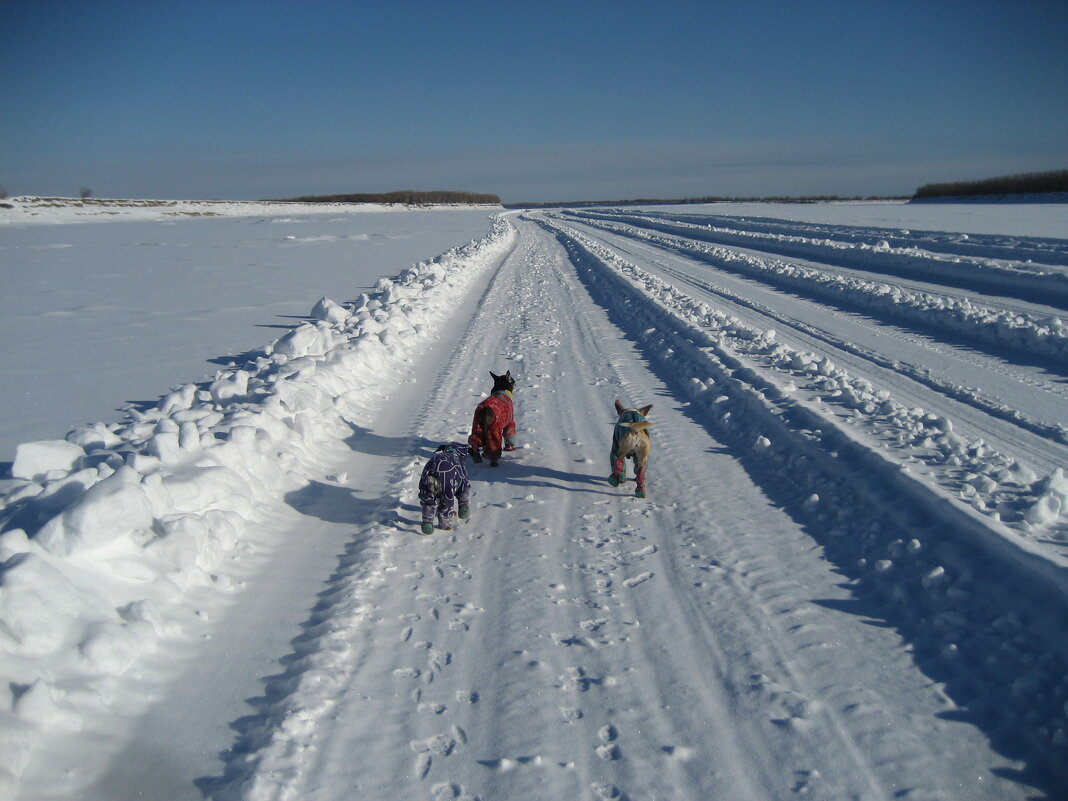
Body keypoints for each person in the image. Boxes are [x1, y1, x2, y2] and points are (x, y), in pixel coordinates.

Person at [417, 442, 471, 534]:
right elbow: (464, 487)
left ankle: (427, 521)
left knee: (428, 494)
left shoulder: (438, 457)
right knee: (447, 496)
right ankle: (445, 523)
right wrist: (463, 503)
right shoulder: (458, 462)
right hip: (448, 475)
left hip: (430, 469)